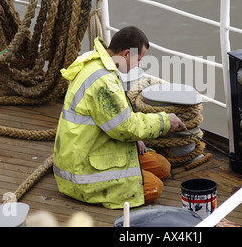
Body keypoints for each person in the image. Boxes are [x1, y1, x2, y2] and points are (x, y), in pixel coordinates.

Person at [53, 26, 186, 209]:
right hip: (82, 169)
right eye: (138, 60)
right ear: (125, 54)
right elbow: (125, 127)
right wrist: (164, 121)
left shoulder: (96, 62)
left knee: (162, 167)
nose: (138, 65)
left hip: (94, 143)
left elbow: (116, 119)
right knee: (153, 188)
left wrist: (134, 137)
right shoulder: (103, 82)